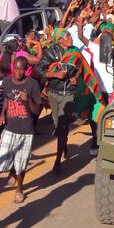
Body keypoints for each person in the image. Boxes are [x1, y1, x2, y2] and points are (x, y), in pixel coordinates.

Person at [0, 57, 41, 204]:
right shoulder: (7, 82)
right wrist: (2, 114)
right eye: (15, 69)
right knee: (2, 163)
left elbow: (37, 111)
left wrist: (28, 100)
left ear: (26, 70)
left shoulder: (32, 84)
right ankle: (12, 171)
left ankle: (19, 189)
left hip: (26, 130)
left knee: (21, 165)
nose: (17, 72)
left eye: (21, 70)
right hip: (9, 127)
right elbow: (7, 99)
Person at [35, 28, 77, 173]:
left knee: (62, 127)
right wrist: (55, 74)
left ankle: (57, 161)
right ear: (59, 40)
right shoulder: (50, 52)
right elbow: (38, 70)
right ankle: (64, 143)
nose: (70, 38)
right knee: (57, 124)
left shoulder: (75, 52)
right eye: (67, 36)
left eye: (70, 36)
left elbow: (82, 69)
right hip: (54, 94)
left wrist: (76, 78)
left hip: (69, 94)